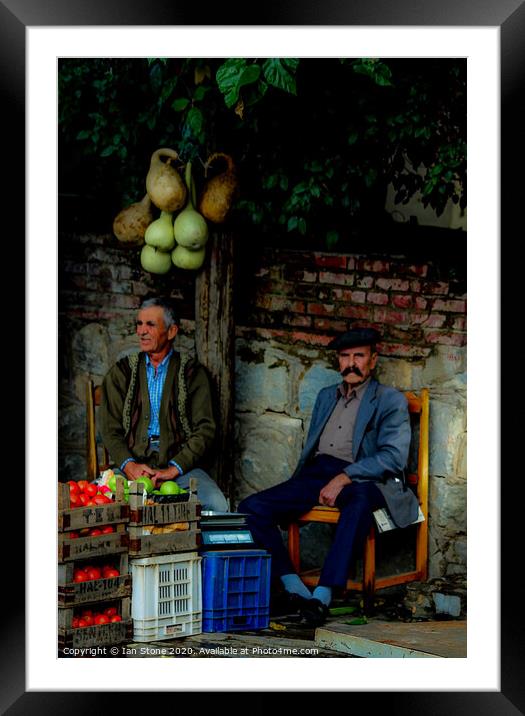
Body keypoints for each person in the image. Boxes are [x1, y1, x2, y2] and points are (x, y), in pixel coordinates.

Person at [238, 326, 419, 626]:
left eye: (358, 356)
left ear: (373, 360)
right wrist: (311, 480)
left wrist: (345, 476)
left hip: (365, 478)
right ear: (338, 361)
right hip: (318, 473)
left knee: (358, 503)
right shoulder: (325, 396)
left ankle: (322, 595)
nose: (351, 363)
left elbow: (393, 457)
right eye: (345, 356)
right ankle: (294, 588)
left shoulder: (389, 400)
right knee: (251, 508)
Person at [98, 296, 229, 512]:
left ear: (171, 331)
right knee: (97, 502)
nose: (141, 331)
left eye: (150, 324)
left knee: (216, 504)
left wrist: (174, 469)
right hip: (132, 467)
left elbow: (206, 429)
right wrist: (128, 465)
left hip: (180, 469)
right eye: (139, 324)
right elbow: (110, 430)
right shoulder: (121, 373)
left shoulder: (192, 374)